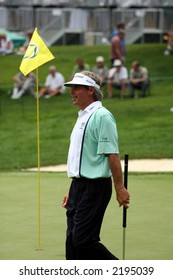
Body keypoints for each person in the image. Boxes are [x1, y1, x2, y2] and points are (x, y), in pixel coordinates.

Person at [62, 71, 130, 260]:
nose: (72, 92)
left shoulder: (102, 116)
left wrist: (120, 188)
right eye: (71, 88)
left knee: (84, 240)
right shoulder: (82, 116)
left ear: (90, 90)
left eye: (76, 88)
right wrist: (72, 187)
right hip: (78, 186)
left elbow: (112, 154)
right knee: (72, 241)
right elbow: (81, 157)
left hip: (95, 187)